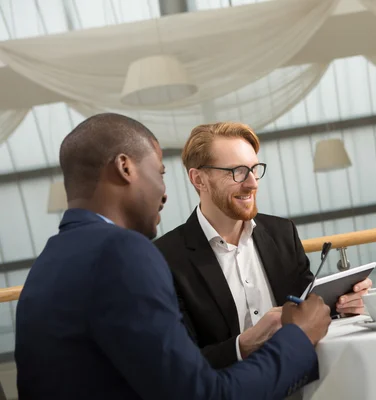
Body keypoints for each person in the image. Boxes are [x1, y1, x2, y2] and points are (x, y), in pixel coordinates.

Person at [15, 113, 332, 400]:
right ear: (125, 168)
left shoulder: (47, 263)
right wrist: (298, 338)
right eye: (159, 172)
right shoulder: (124, 252)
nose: (164, 192)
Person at [154, 122, 372, 368]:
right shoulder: (165, 257)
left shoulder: (282, 233)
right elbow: (179, 364)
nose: (252, 183)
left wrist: (341, 307)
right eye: (237, 171)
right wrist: (243, 345)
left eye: (254, 169)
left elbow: (306, 310)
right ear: (199, 179)